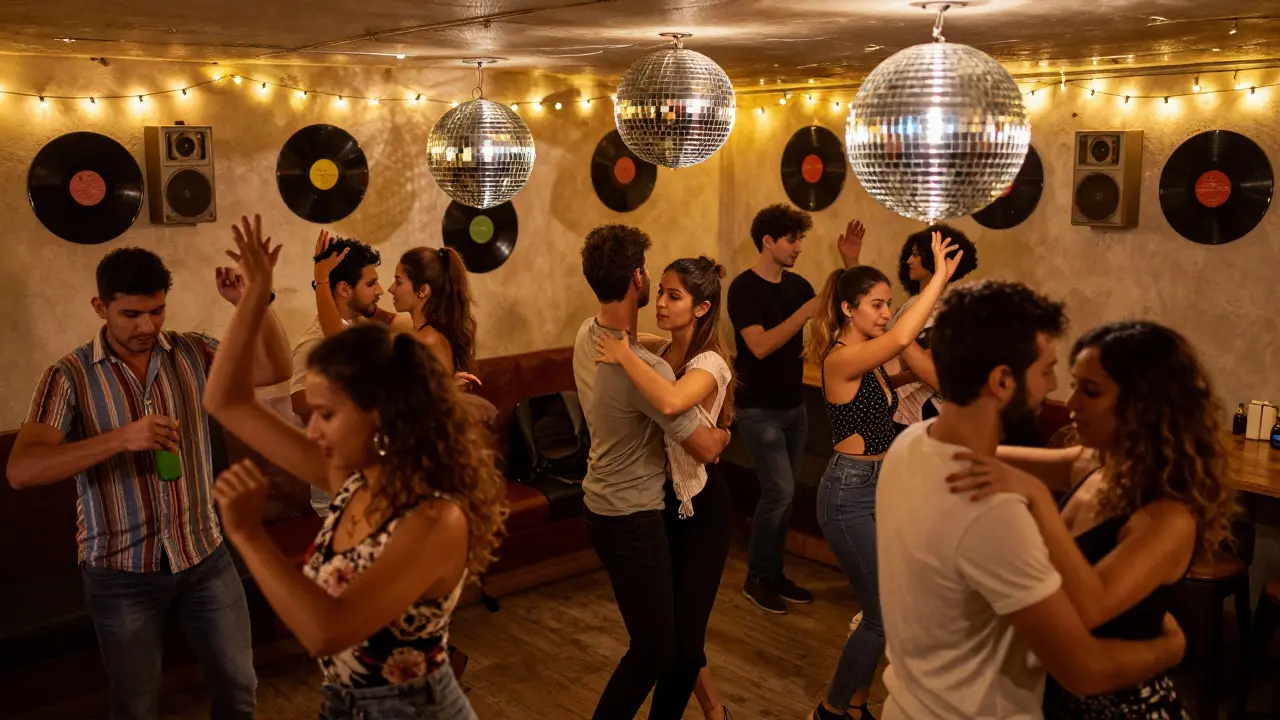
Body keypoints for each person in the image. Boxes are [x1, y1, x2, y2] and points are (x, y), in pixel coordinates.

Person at [203, 216, 506, 719]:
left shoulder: (434, 516)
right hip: (344, 706)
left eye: (327, 414)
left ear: (378, 412)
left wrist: (247, 533)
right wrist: (255, 298)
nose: (313, 431)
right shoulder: (351, 479)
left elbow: (327, 630)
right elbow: (226, 401)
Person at [6, 241, 294, 720]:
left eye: (157, 311)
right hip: (120, 571)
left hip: (204, 554)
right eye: (131, 314)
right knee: (137, 706)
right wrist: (121, 439)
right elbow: (22, 469)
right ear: (101, 307)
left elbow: (275, 368)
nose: (147, 326)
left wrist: (255, 301)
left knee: (240, 687)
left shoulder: (193, 352)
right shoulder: (69, 375)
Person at [876, 280, 1187, 720]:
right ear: (1003, 380)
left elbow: (1070, 464)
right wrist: (1170, 648)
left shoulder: (911, 445)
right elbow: (1083, 669)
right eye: (1046, 371)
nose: (1056, 387)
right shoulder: (994, 511)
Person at [946, 320, 1236, 719]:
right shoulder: (1093, 463)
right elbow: (982, 455)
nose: (1071, 405)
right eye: (1074, 385)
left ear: (1143, 404)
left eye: (1091, 391)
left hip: (1120, 708)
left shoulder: (1169, 517)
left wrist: (1036, 500)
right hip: (1051, 694)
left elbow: (1090, 607)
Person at [573, 225, 733, 720]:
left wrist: (628, 346)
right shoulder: (653, 366)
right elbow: (705, 443)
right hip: (640, 511)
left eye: (676, 295)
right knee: (660, 648)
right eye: (660, 291)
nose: (663, 302)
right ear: (638, 280)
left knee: (673, 643)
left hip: (655, 504)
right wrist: (725, 435)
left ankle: (711, 709)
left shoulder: (587, 334)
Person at [802, 231, 960, 720]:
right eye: (876, 304)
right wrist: (940, 280)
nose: (885, 312)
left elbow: (899, 366)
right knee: (881, 613)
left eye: (889, 303)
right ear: (849, 310)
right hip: (847, 494)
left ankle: (856, 703)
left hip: (875, 489)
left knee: (883, 610)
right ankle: (830, 710)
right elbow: (900, 338)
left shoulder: (869, 361)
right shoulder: (841, 358)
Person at [729, 205, 863, 614]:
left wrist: (851, 263)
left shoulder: (799, 284)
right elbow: (760, 346)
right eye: (792, 239)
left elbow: (846, 316)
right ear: (767, 241)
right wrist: (801, 313)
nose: (799, 247)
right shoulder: (743, 289)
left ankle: (773, 573)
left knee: (782, 497)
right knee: (780, 491)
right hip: (758, 409)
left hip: (793, 407)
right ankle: (756, 578)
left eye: (801, 239)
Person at [294, 230, 394, 517]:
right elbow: (300, 404)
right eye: (371, 282)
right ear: (344, 290)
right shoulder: (316, 342)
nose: (381, 290)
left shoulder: (359, 331)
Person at [887, 224, 979, 427]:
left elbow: (937, 375)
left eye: (916, 255)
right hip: (896, 404)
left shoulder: (938, 310)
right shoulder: (917, 302)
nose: (909, 261)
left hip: (918, 413)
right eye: (910, 254)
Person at [387, 246, 478, 376]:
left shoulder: (428, 342)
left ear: (423, 290)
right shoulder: (421, 333)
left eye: (398, 282)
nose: (391, 289)